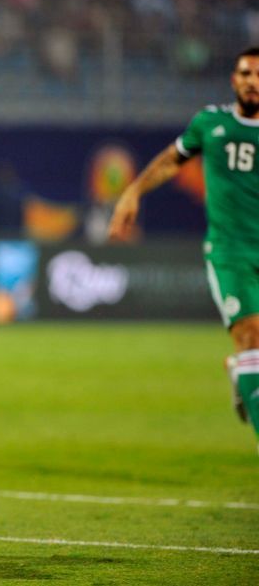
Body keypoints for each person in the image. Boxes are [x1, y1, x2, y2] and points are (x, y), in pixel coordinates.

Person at [108, 46, 259, 451]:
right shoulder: (211, 123)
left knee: (253, 352)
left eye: (258, 75)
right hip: (231, 251)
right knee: (250, 335)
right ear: (234, 79)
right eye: (245, 73)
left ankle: (243, 377)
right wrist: (133, 191)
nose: (252, 81)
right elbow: (172, 161)